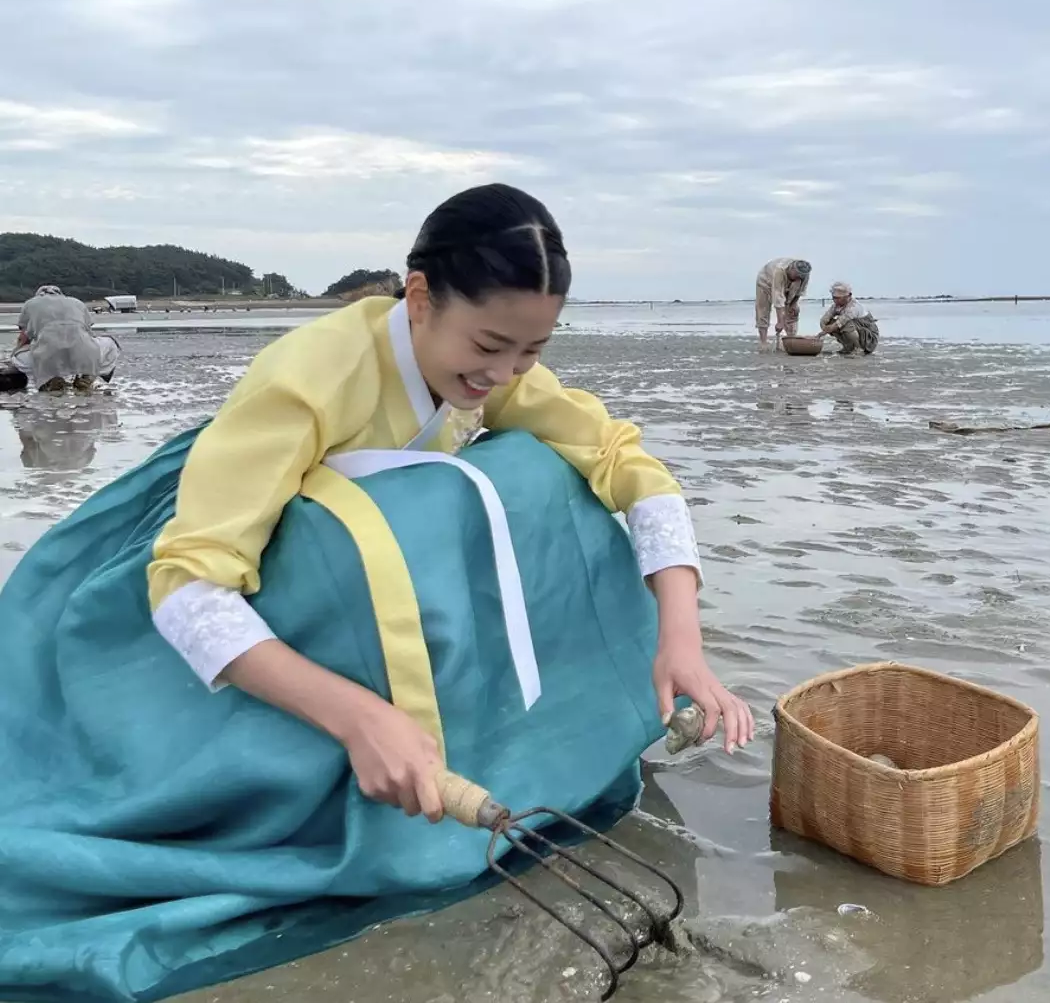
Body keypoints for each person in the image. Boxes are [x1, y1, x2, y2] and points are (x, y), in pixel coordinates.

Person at [0, 184, 753, 1003]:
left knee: (539, 470)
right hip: (208, 553)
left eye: (531, 353)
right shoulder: (308, 378)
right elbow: (188, 587)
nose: (504, 375)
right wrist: (359, 716)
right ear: (420, 296)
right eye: (491, 344)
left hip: (346, 570)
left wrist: (679, 638)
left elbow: (626, 464)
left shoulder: (491, 370)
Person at [9, 284, 121, 392]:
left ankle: (50, 381)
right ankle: (87, 377)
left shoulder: (30, 304)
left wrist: (15, 355)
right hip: (83, 352)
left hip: (48, 356)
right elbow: (88, 333)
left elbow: (23, 338)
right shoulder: (77, 302)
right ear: (60, 294)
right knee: (111, 344)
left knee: (17, 358)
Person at [755, 257, 811, 346]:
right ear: (791, 269)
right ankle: (763, 342)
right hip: (765, 281)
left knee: (793, 311)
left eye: (801, 276)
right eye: (797, 275)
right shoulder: (780, 270)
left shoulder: (804, 274)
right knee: (763, 310)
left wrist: (793, 304)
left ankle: (790, 340)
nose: (799, 277)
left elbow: (800, 291)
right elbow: (778, 298)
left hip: (788, 285)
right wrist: (780, 322)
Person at [818, 281, 880, 354]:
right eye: (834, 298)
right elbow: (824, 319)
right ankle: (848, 347)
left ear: (848, 296)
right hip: (855, 331)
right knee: (830, 322)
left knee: (845, 324)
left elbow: (838, 324)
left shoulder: (853, 307)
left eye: (839, 298)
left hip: (868, 338)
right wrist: (823, 325)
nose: (836, 300)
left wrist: (819, 335)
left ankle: (858, 348)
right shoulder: (837, 305)